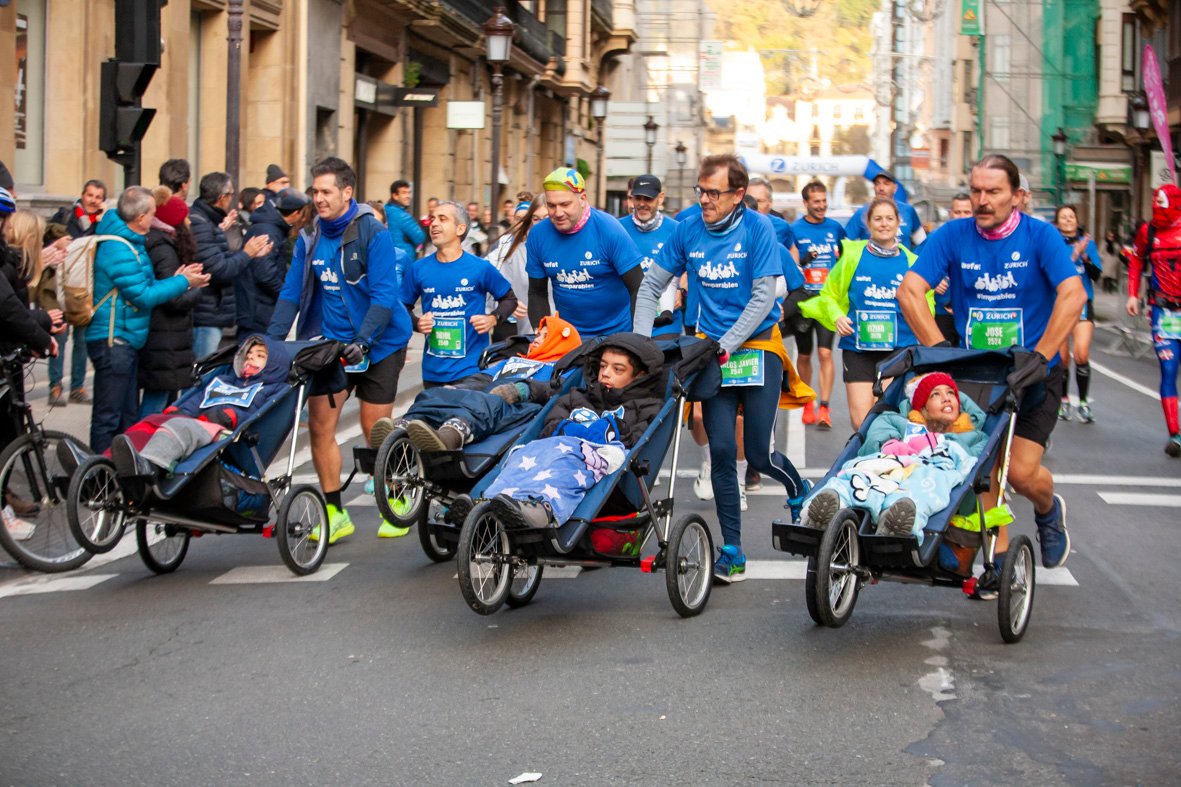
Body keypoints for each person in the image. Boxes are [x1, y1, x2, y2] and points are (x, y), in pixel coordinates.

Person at [897, 154, 1085, 571]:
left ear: (1017, 196)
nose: (982, 200)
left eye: (993, 192)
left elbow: (1073, 295)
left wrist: (1043, 356)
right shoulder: (952, 236)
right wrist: (941, 353)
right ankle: (997, 564)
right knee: (984, 471)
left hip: (1034, 376)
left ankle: (1048, 509)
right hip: (980, 377)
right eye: (976, 190)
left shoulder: (1041, 237)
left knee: (1020, 473)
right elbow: (910, 291)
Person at [633, 153, 809, 585]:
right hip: (710, 351)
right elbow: (653, 284)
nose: (705, 199)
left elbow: (764, 297)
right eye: (701, 190)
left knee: (759, 452)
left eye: (713, 192)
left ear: (738, 194)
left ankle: (798, 487)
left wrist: (728, 344)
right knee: (722, 454)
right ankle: (733, 549)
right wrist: (640, 343)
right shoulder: (688, 226)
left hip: (756, 347)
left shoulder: (759, 229)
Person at [267, 156, 413, 542]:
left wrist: (363, 342)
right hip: (333, 344)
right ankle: (334, 511)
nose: (318, 198)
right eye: (314, 191)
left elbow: (384, 296)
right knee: (319, 425)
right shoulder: (310, 236)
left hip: (380, 343)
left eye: (326, 191)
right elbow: (291, 293)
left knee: (374, 428)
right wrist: (270, 342)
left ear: (347, 192)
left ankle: (397, 493)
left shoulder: (372, 233)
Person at [462, 333, 666, 529]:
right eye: (603, 366)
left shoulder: (646, 407)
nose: (605, 373)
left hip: (603, 475)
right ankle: (486, 501)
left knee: (566, 465)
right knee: (522, 455)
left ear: (639, 376)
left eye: (617, 369)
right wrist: (571, 430)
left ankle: (545, 510)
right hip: (552, 452)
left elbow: (639, 442)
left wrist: (609, 432)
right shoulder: (577, 396)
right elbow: (549, 425)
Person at [85, 186, 211, 453]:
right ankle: (97, 477)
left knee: (127, 417)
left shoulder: (132, 242)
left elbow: (146, 284)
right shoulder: (118, 248)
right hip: (113, 341)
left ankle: (121, 477)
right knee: (109, 417)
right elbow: (142, 295)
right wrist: (183, 281)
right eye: (152, 213)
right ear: (140, 216)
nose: (155, 219)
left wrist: (179, 278)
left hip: (126, 340)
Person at [801, 372, 987, 541]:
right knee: (859, 475)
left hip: (931, 470)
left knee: (926, 487)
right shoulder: (896, 420)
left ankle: (896, 520)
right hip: (891, 463)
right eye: (935, 394)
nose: (946, 399)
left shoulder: (975, 436)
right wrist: (891, 444)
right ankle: (830, 503)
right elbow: (875, 438)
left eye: (951, 394)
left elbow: (970, 463)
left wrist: (940, 443)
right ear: (922, 407)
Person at [801, 197, 931, 430]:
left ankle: (886, 463)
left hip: (898, 349)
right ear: (868, 224)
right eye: (878, 219)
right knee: (860, 421)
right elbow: (828, 295)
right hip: (858, 349)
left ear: (898, 223)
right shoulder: (852, 256)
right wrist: (837, 317)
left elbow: (926, 304)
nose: (884, 224)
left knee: (888, 417)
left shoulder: (912, 262)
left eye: (889, 219)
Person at [110, 336, 290, 483]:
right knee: (153, 421)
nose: (250, 357)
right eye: (248, 353)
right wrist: (180, 411)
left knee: (182, 428)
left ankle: (149, 465)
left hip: (226, 432)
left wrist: (232, 416)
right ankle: (110, 466)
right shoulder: (223, 380)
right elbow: (197, 399)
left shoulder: (269, 389)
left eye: (259, 355)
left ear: (273, 364)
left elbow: (260, 414)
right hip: (200, 422)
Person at [396, 315, 582, 453]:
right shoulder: (511, 360)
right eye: (538, 334)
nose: (536, 339)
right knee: (434, 393)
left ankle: (450, 436)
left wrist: (522, 389)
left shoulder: (560, 368)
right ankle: (404, 428)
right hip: (487, 395)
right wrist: (457, 389)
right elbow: (482, 378)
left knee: (487, 402)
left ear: (558, 341)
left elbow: (554, 390)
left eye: (545, 336)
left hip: (518, 406)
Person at [401, 200, 517, 387]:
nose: (434, 224)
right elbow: (401, 307)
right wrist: (417, 323)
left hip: (471, 369)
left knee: (461, 417)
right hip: (433, 371)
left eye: (442, 219)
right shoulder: (419, 269)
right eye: (433, 219)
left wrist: (492, 319)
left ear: (460, 229)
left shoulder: (480, 268)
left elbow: (509, 299)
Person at [526, 167, 644, 339]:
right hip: (568, 337)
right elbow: (537, 292)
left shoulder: (609, 229)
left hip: (616, 333)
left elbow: (638, 287)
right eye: (551, 206)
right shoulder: (538, 235)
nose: (558, 213)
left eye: (565, 204)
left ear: (582, 199)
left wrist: (636, 338)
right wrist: (541, 330)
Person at [189, 172, 273, 358]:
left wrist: (250, 256)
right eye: (231, 195)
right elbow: (219, 269)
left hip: (212, 311)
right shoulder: (201, 222)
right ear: (222, 198)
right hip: (206, 313)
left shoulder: (208, 220)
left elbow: (219, 259)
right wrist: (247, 253)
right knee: (201, 375)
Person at [138, 190, 205, 416]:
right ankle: (140, 447)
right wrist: (194, 286)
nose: (189, 222)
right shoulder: (165, 249)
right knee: (156, 403)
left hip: (165, 335)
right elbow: (173, 299)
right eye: (184, 217)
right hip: (165, 336)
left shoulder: (160, 243)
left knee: (163, 401)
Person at [1127, 183, 1181, 457]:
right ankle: (1175, 434)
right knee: (1169, 371)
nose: (1158, 209)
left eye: (1163, 204)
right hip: (1163, 313)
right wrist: (1132, 295)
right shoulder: (1148, 232)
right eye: (1155, 204)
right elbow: (1137, 261)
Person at [789, 180, 847, 428]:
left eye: (824, 201)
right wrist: (805, 258)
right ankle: (807, 403)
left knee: (825, 353)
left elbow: (846, 257)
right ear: (805, 204)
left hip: (826, 302)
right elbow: (791, 264)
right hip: (804, 300)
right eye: (817, 202)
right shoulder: (795, 229)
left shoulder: (835, 228)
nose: (822, 206)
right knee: (804, 354)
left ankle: (824, 407)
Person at [235, 188, 310, 338]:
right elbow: (265, 274)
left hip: (258, 307)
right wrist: (287, 295)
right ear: (296, 213)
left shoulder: (270, 227)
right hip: (258, 310)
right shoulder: (268, 231)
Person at [1053, 205, 1102, 423]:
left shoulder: (1087, 244)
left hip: (1083, 303)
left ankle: (1083, 403)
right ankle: (1064, 400)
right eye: (1063, 217)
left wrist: (1085, 257)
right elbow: (1051, 272)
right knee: (1063, 359)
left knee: (1081, 354)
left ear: (1076, 219)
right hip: (1058, 304)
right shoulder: (1052, 244)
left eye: (1071, 216)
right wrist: (1073, 255)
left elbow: (1096, 275)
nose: (1068, 220)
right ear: (1057, 222)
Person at [617, 174, 682, 337]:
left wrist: (681, 289)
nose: (641, 204)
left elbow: (690, 266)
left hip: (665, 319)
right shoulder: (617, 228)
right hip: (627, 317)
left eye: (648, 199)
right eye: (637, 198)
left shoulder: (677, 229)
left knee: (663, 361)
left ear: (660, 198)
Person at [486, 194, 547, 340]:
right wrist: (508, 303)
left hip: (560, 332)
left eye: (545, 218)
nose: (521, 224)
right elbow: (492, 285)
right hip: (519, 329)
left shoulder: (562, 248)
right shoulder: (507, 248)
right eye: (518, 219)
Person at [932, 193, 974, 346]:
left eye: (966, 212)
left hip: (973, 314)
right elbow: (913, 265)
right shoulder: (937, 237)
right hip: (942, 314)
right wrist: (932, 283)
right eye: (958, 212)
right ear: (951, 213)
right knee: (943, 360)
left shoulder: (984, 238)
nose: (962, 217)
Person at [846, 171, 926, 249]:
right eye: (877, 184)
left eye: (886, 184)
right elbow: (846, 244)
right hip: (874, 261)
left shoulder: (908, 210)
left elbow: (922, 243)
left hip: (902, 261)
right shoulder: (862, 213)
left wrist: (914, 259)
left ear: (895, 188)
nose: (881, 188)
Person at [383, 179, 426, 263]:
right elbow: (420, 237)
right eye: (404, 193)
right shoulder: (402, 215)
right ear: (395, 195)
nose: (408, 196)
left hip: (388, 258)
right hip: (403, 259)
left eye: (409, 192)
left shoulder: (385, 210)